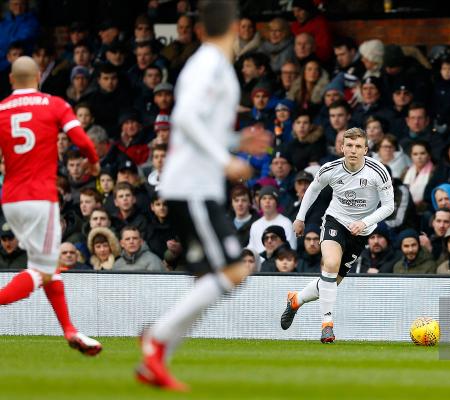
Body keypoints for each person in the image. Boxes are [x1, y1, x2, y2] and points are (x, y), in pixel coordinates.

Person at [136, 1, 271, 390]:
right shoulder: (210, 66)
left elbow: (195, 126)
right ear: (238, 27)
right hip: (192, 186)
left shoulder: (206, 64)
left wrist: (234, 139)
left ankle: (156, 359)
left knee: (214, 278)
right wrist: (225, 158)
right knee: (231, 271)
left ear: (199, 29)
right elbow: (185, 119)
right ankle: (156, 339)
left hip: (192, 184)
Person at [0, 56, 102, 355]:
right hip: (40, 197)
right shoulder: (54, 104)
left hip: (11, 199)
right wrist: (94, 165)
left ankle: (70, 330)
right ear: (38, 77)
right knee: (41, 270)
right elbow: (81, 140)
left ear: (11, 81)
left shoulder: (1, 109)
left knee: (47, 266)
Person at [281, 127, 394, 343]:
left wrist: (364, 222)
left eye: (358, 146)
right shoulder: (330, 169)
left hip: (362, 230)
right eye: (349, 145)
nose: (353, 150)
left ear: (366, 150)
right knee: (330, 265)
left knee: (331, 283)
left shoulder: (378, 172)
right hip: (336, 221)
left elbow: (389, 206)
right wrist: (300, 217)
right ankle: (327, 325)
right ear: (341, 148)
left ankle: (296, 299)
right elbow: (313, 189)